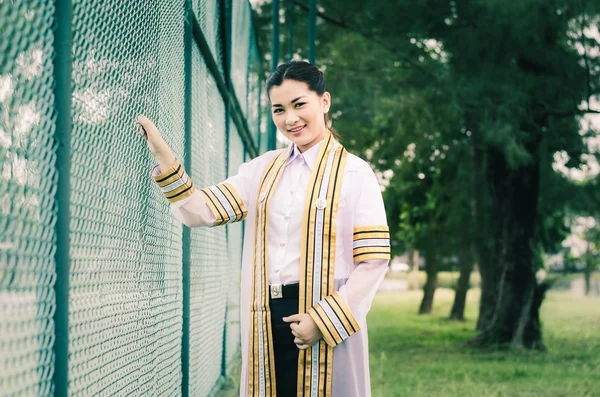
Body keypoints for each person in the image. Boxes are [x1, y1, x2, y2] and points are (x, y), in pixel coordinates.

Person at [137, 61, 390, 397]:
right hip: (264, 314)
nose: (290, 119)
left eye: (300, 104)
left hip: (325, 316)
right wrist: (165, 158)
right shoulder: (262, 170)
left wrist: (323, 321)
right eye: (279, 109)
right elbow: (201, 211)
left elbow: (373, 262)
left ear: (324, 101)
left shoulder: (356, 173)